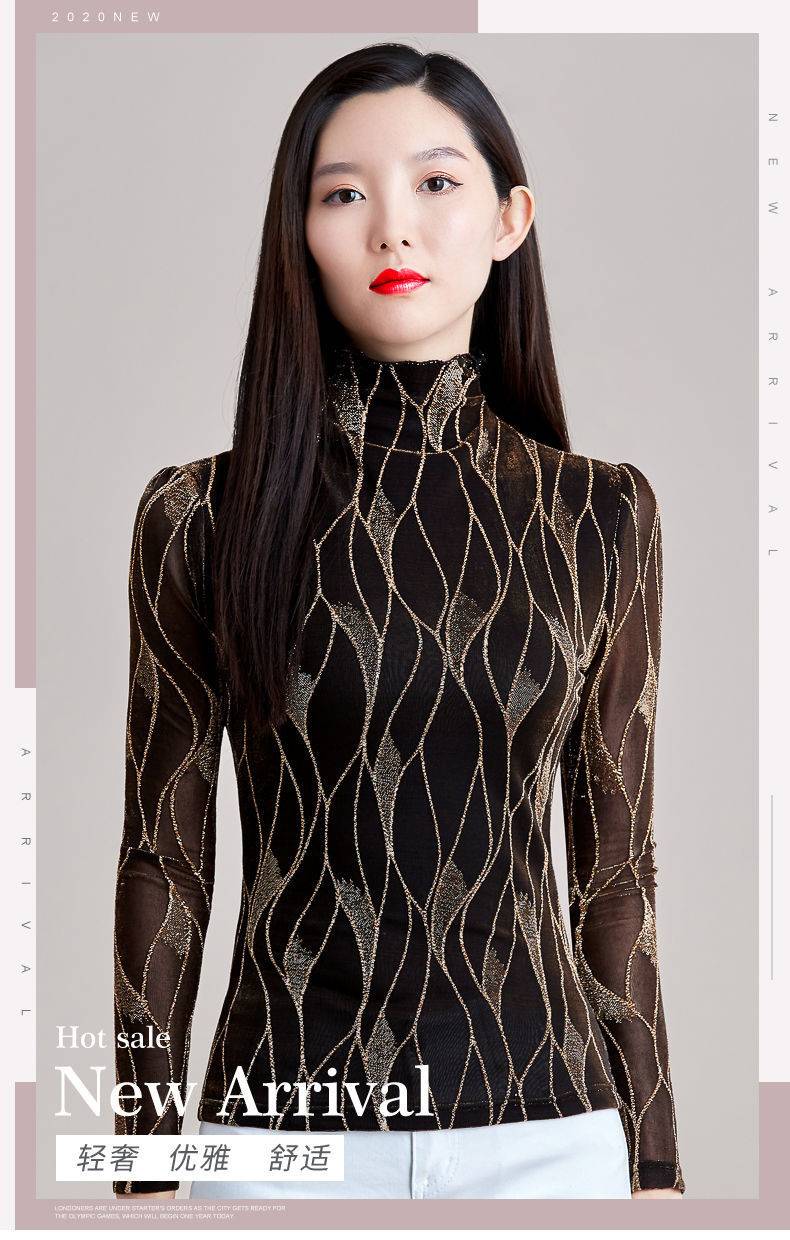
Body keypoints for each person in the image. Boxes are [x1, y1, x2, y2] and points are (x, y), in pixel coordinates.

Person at [112, 42, 685, 1201]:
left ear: (509, 219)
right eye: (342, 194)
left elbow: (615, 867)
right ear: (297, 232)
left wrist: (656, 1160)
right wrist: (141, 1156)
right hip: (276, 1143)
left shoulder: (601, 516)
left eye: (434, 182)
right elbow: (163, 861)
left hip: (551, 1139)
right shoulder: (201, 516)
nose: (393, 229)